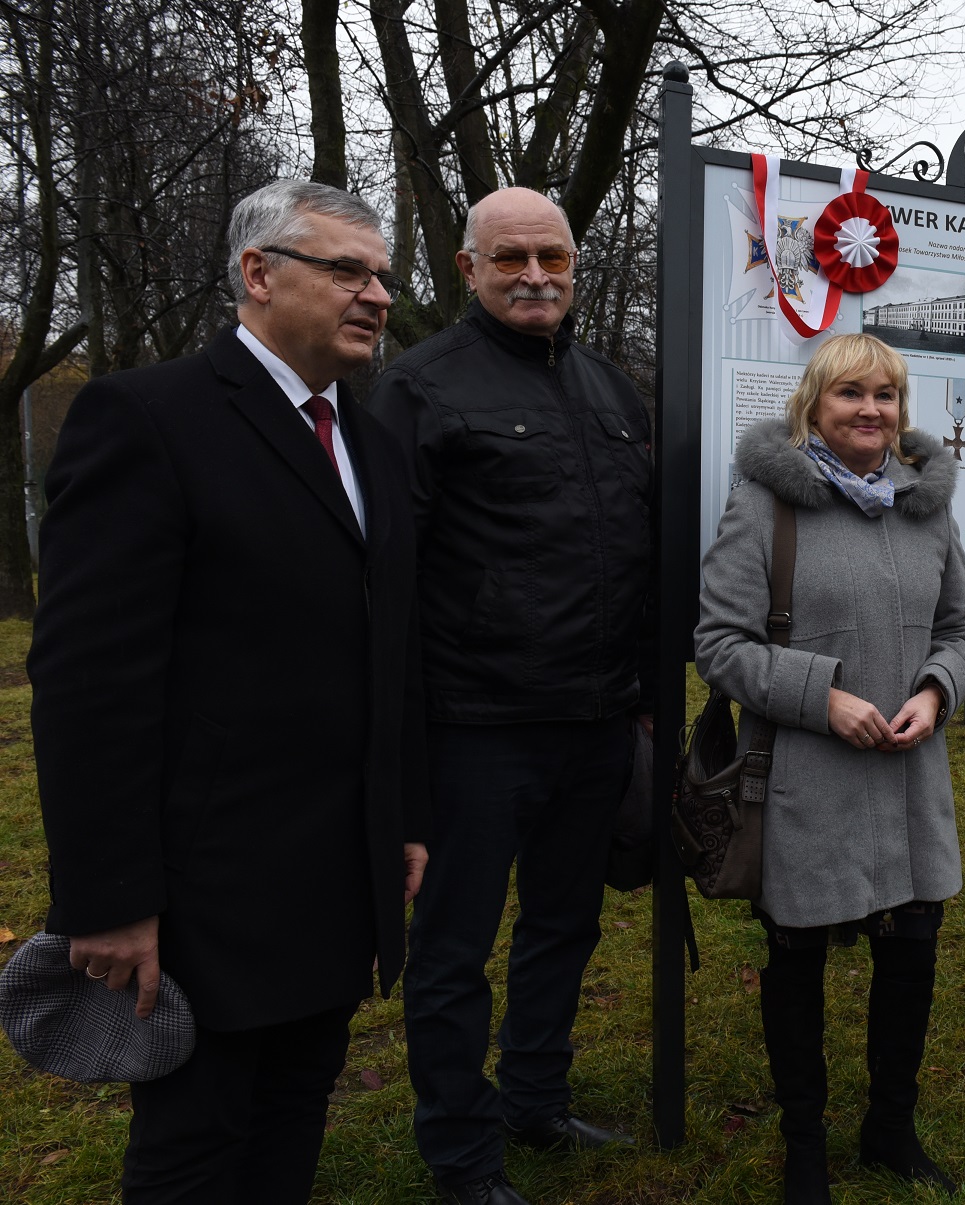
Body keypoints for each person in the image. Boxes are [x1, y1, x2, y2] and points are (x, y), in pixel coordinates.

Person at [29, 179, 426, 1202]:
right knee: (196, 1147)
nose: (377, 295)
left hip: (337, 882)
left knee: (294, 1118)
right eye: (346, 270)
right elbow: (89, 680)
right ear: (258, 274)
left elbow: (386, 653)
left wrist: (403, 822)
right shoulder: (148, 418)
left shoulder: (373, 445)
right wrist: (110, 898)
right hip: (204, 895)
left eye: (381, 275)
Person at [367, 187, 654, 1205]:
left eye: (553, 257)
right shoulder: (418, 388)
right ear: (467, 267)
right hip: (473, 727)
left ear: (576, 264)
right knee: (451, 951)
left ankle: (535, 1098)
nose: (535, 274)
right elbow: (385, 576)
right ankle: (461, 1154)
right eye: (512, 257)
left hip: (594, 722)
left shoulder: (612, 391)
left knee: (562, 925)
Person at [695, 332, 965, 1204]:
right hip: (806, 782)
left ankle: (889, 1128)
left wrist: (935, 693)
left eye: (886, 396)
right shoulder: (766, 506)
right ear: (813, 406)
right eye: (850, 394)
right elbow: (717, 644)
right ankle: (805, 1147)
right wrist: (823, 698)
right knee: (800, 970)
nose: (870, 411)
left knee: (911, 962)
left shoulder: (926, 507)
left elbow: (961, 629)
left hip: (909, 779)